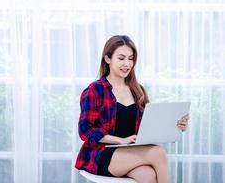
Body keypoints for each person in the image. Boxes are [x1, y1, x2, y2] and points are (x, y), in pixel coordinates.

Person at [75, 35, 189, 183]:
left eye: (131, 58)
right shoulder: (95, 90)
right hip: (102, 153)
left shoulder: (138, 90)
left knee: (148, 176)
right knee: (158, 153)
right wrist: (120, 140)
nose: (127, 64)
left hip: (129, 152)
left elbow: (148, 125)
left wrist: (175, 126)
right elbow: (85, 130)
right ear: (107, 59)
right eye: (121, 58)